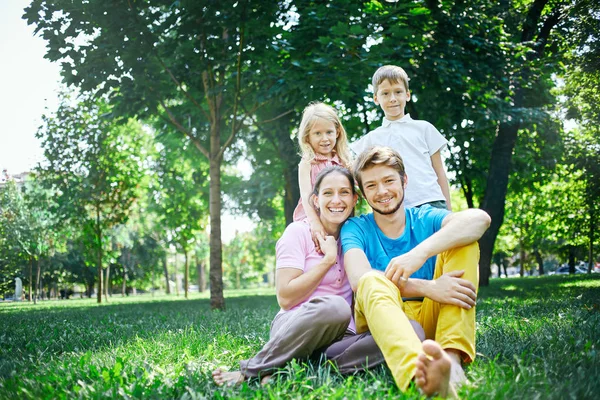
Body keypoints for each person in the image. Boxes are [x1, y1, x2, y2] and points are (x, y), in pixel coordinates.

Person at [340, 146, 491, 397]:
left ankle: (451, 361)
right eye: (371, 185)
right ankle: (417, 377)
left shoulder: (424, 217)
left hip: (433, 313)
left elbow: (479, 219)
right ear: (364, 194)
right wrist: (428, 287)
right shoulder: (355, 227)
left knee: (465, 243)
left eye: (389, 180)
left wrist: (418, 255)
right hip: (385, 317)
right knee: (370, 280)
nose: (382, 191)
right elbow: (358, 279)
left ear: (404, 180)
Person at [213, 166, 358, 386]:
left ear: (355, 199)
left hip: (342, 335)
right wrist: (327, 260)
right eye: (328, 193)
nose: (336, 200)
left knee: (406, 331)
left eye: (344, 192)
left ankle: (294, 366)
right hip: (296, 323)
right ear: (315, 200)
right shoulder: (297, 232)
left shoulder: (357, 235)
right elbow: (286, 297)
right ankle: (251, 370)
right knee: (336, 308)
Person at [350, 65, 452, 210]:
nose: (393, 99)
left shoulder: (424, 128)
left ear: (407, 95)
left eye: (398, 92)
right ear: (376, 98)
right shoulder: (370, 140)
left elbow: (439, 171)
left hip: (432, 201)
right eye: (385, 93)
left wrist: (448, 210)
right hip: (395, 209)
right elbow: (357, 176)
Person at [293, 102, 352, 251]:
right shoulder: (307, 163)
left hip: (339, 217)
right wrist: (315, 223)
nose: (324, 138)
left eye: (329, 132)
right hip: (313, 218)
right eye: (317, 133)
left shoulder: (344, 161)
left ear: (337, 132)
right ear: (307, 137)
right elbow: (306, 197)